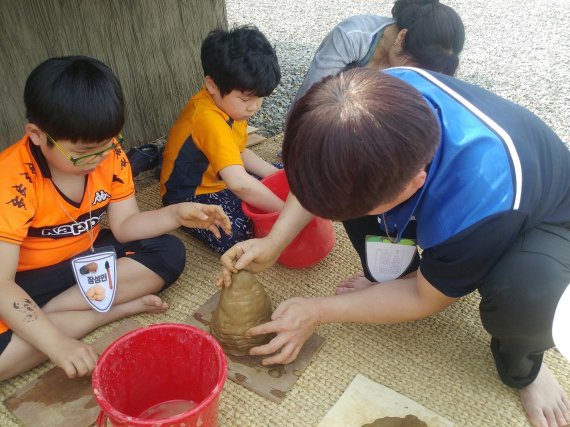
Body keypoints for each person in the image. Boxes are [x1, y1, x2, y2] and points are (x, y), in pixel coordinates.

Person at [220, 68, 570, 427]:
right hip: (443, 196)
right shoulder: (366, 98)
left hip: (545, 219)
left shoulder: (477, 200)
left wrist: (319, 310)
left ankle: (527, 363)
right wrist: (274, 242)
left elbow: (426, 300)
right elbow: (320, 177)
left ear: (414, 184)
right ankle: (397, 274)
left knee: (527, 299)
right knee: (355, 203)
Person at [0, 55, 231, 381]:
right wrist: (57, 345)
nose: (99, 159)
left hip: (89, 259)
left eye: (109, 144)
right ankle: (102, 313)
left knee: (168, 251)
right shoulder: (11, 181)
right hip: (24, 280)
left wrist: (176, 213)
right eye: (82, 153)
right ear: (37, 135)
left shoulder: (110, 157)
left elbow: (124, 227)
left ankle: (49, 318)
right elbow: (2, 283)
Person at [160, 25, 285, 254]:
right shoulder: (207, 118)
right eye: (247, 98)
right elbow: (239, 183)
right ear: (212, 85)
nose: (255, 106)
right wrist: (286, 213)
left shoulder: (233, 106)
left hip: (224, 178)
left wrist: (276, 177)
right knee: (234, 231)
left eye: (260, 98)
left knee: (288, 175)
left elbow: (238, 151)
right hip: (190, 195)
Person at [288, 0, 464, 116]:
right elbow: (307, 102)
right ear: (402, 37)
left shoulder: (419, 64)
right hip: (329, 115)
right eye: (416, 67)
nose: (416, 76)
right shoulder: (352, 36)